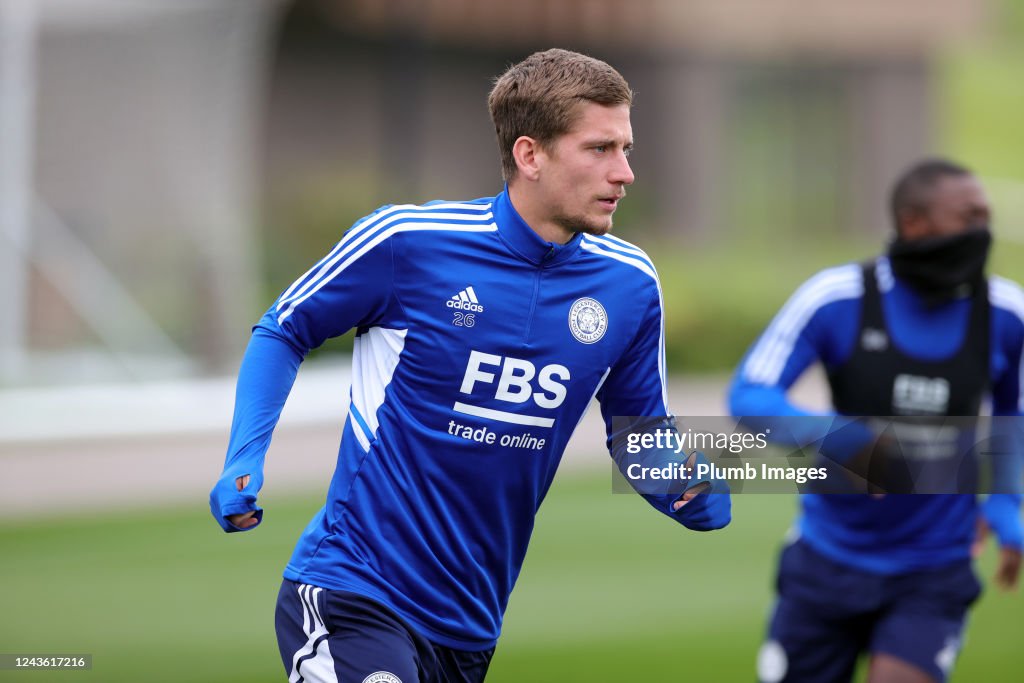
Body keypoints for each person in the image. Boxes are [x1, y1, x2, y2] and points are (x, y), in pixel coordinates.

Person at [210, 48, 730, 683]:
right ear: (529, 155)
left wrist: (684, 489)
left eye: (626, 148)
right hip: (353, 587)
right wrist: (244, 456)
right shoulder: (408, 242)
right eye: (599, 149)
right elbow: (283, 329)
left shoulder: (629, 284)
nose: (624, 172)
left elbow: (640, 436)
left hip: (471, 624)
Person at [729, 158, 1024, 683]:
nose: (984, 232)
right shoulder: (837, 297)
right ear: (915, 222)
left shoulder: (1006, 314)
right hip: (827, 555)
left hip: (934, 567)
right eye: (969, 217)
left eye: (986, 217)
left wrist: (1005, 507)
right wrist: (840, 440)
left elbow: (1013, 416)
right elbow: (750, 394)